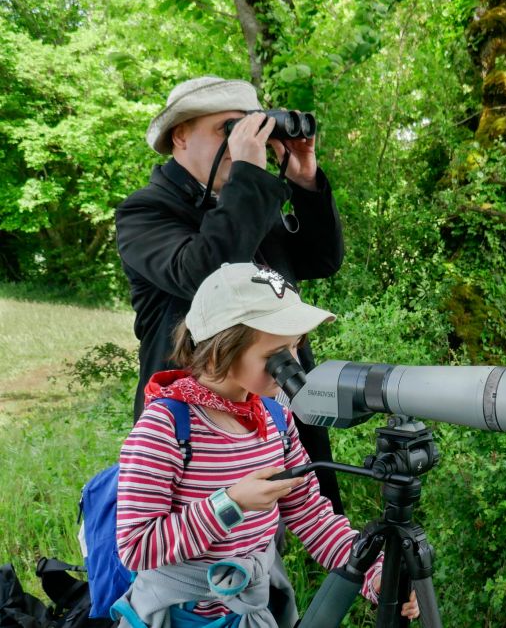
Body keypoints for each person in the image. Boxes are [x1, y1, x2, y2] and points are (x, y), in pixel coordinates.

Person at [114, 262, 419, 626]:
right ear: (218, 352)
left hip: (250, 610)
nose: (291, 364)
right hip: (178, 614)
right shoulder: (165, 428)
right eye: (274, 355)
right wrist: (231, 504)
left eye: (295, 347)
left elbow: (311, 515)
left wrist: (375, 573)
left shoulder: (276, 419)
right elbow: (136, 548)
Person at [115, 75, 344, 513]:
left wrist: (305, 181)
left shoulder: (245, 199)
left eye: (251, 128)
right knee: (217, 539)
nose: (244, 142)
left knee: (308, 517)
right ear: (179, 136)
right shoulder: (145, 212)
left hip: (277, 389)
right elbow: (204, 274)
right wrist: (249, 179)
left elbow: (321, 260)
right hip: (198, 416)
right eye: (228, 129)